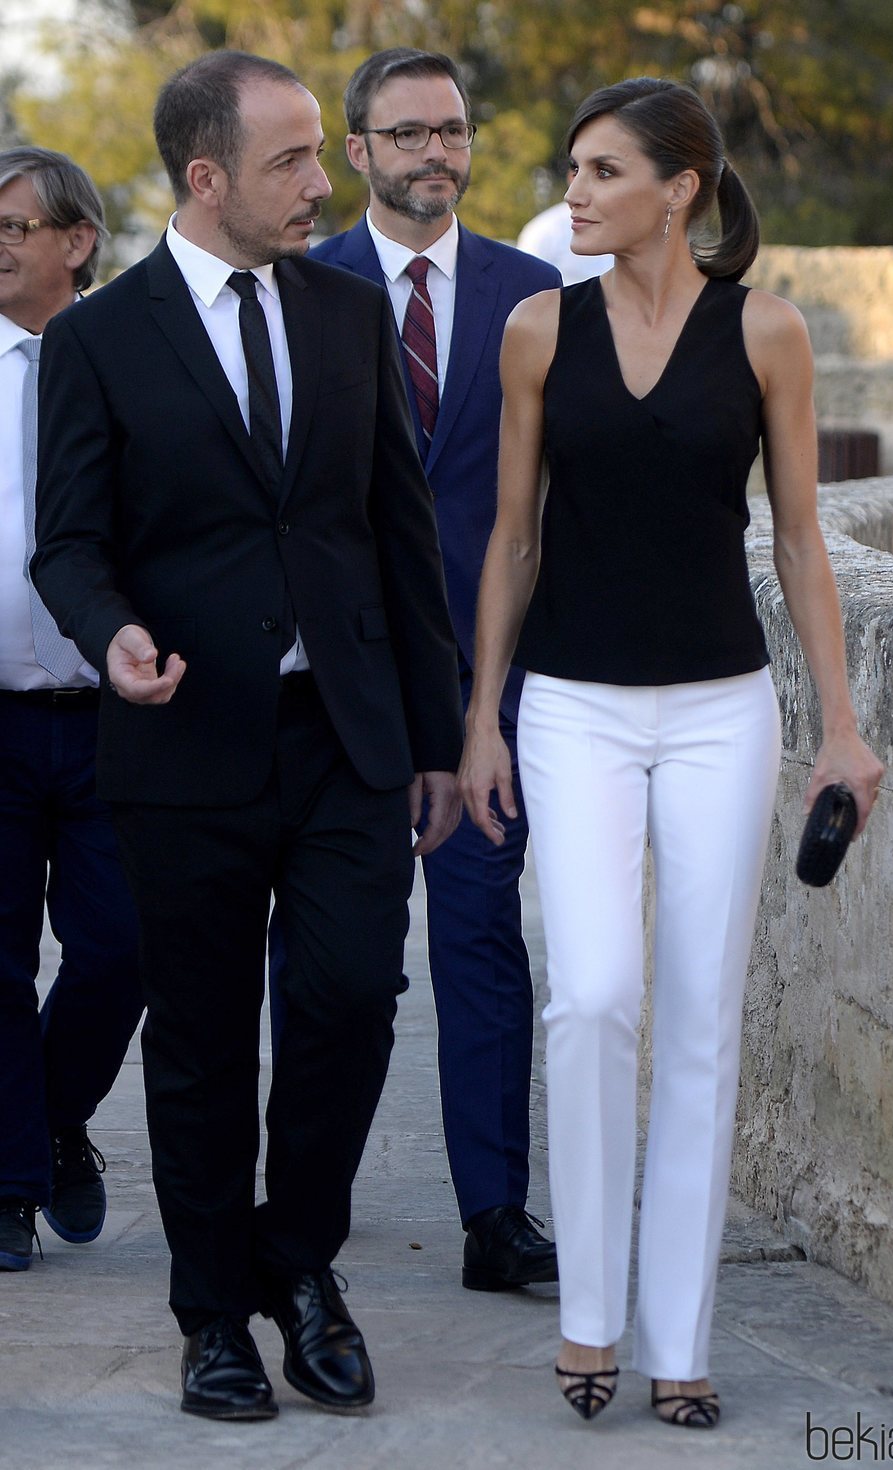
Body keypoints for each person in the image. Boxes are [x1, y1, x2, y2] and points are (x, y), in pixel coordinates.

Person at [31, 51, 464, 1422]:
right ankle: (213, 1313)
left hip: (345, 735)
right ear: (206, 175)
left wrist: (441, 737)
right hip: (182, 745)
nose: (323, 183)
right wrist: (112, 634)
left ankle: (298, 1265)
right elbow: (70, 543)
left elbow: (398, 533)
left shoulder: (346, 316)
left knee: (349, 1002)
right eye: (293, 161)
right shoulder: (98, 340)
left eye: (322, 156)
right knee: (205, 1040)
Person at [458, 78, 884, 1428]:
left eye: (600, 172)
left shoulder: (766, 332)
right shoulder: (537, 329)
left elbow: (805, 539)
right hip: (571, 704)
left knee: (699, 1017)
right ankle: (588, 1316)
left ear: (679, 189)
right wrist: (481, 718)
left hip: (721, 712)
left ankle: (680, 1339)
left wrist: (845, 728)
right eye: (571, 170)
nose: (573, 195)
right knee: (591, 994)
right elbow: (513, 537)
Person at [305, 48, 561, 1292]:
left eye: (451, 132)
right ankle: (307, 1199)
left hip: (488, 686)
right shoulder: (300, 286)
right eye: (406, 134)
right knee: (328, 962)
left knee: (479, 943)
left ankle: (493, 1213)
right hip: (338, 693)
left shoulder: (533, 293)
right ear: (356, 151)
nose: (434, 156)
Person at [0, 146, 144, 1273]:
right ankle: (10, 1179)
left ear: (76, 241)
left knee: (121, 949)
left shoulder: (140, 354)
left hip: (117, 717)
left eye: (15, 225)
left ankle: (50, 1119)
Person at [517, 200, 613, 284]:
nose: (570, 196)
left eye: (603, 177)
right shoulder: (545, 228)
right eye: (575, 178)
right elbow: (526, 283)